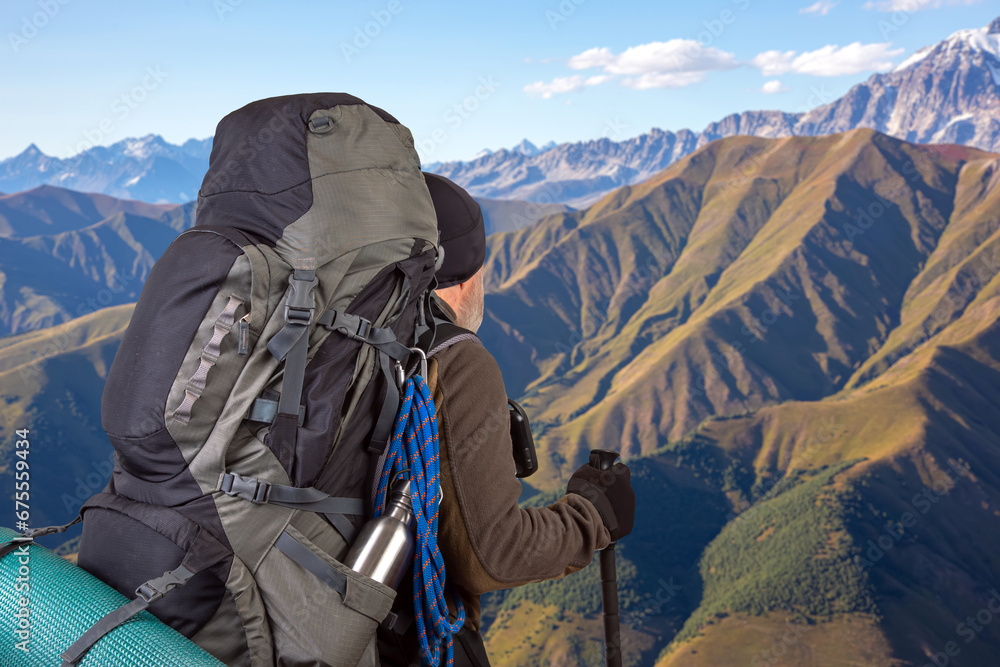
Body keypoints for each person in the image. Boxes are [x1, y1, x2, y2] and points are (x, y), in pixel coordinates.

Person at [377, 173, 636, 667]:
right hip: (393, 643)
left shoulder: (315, 338)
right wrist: (594, 516)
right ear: (467, 275)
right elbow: (492, 555)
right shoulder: (449, 360)